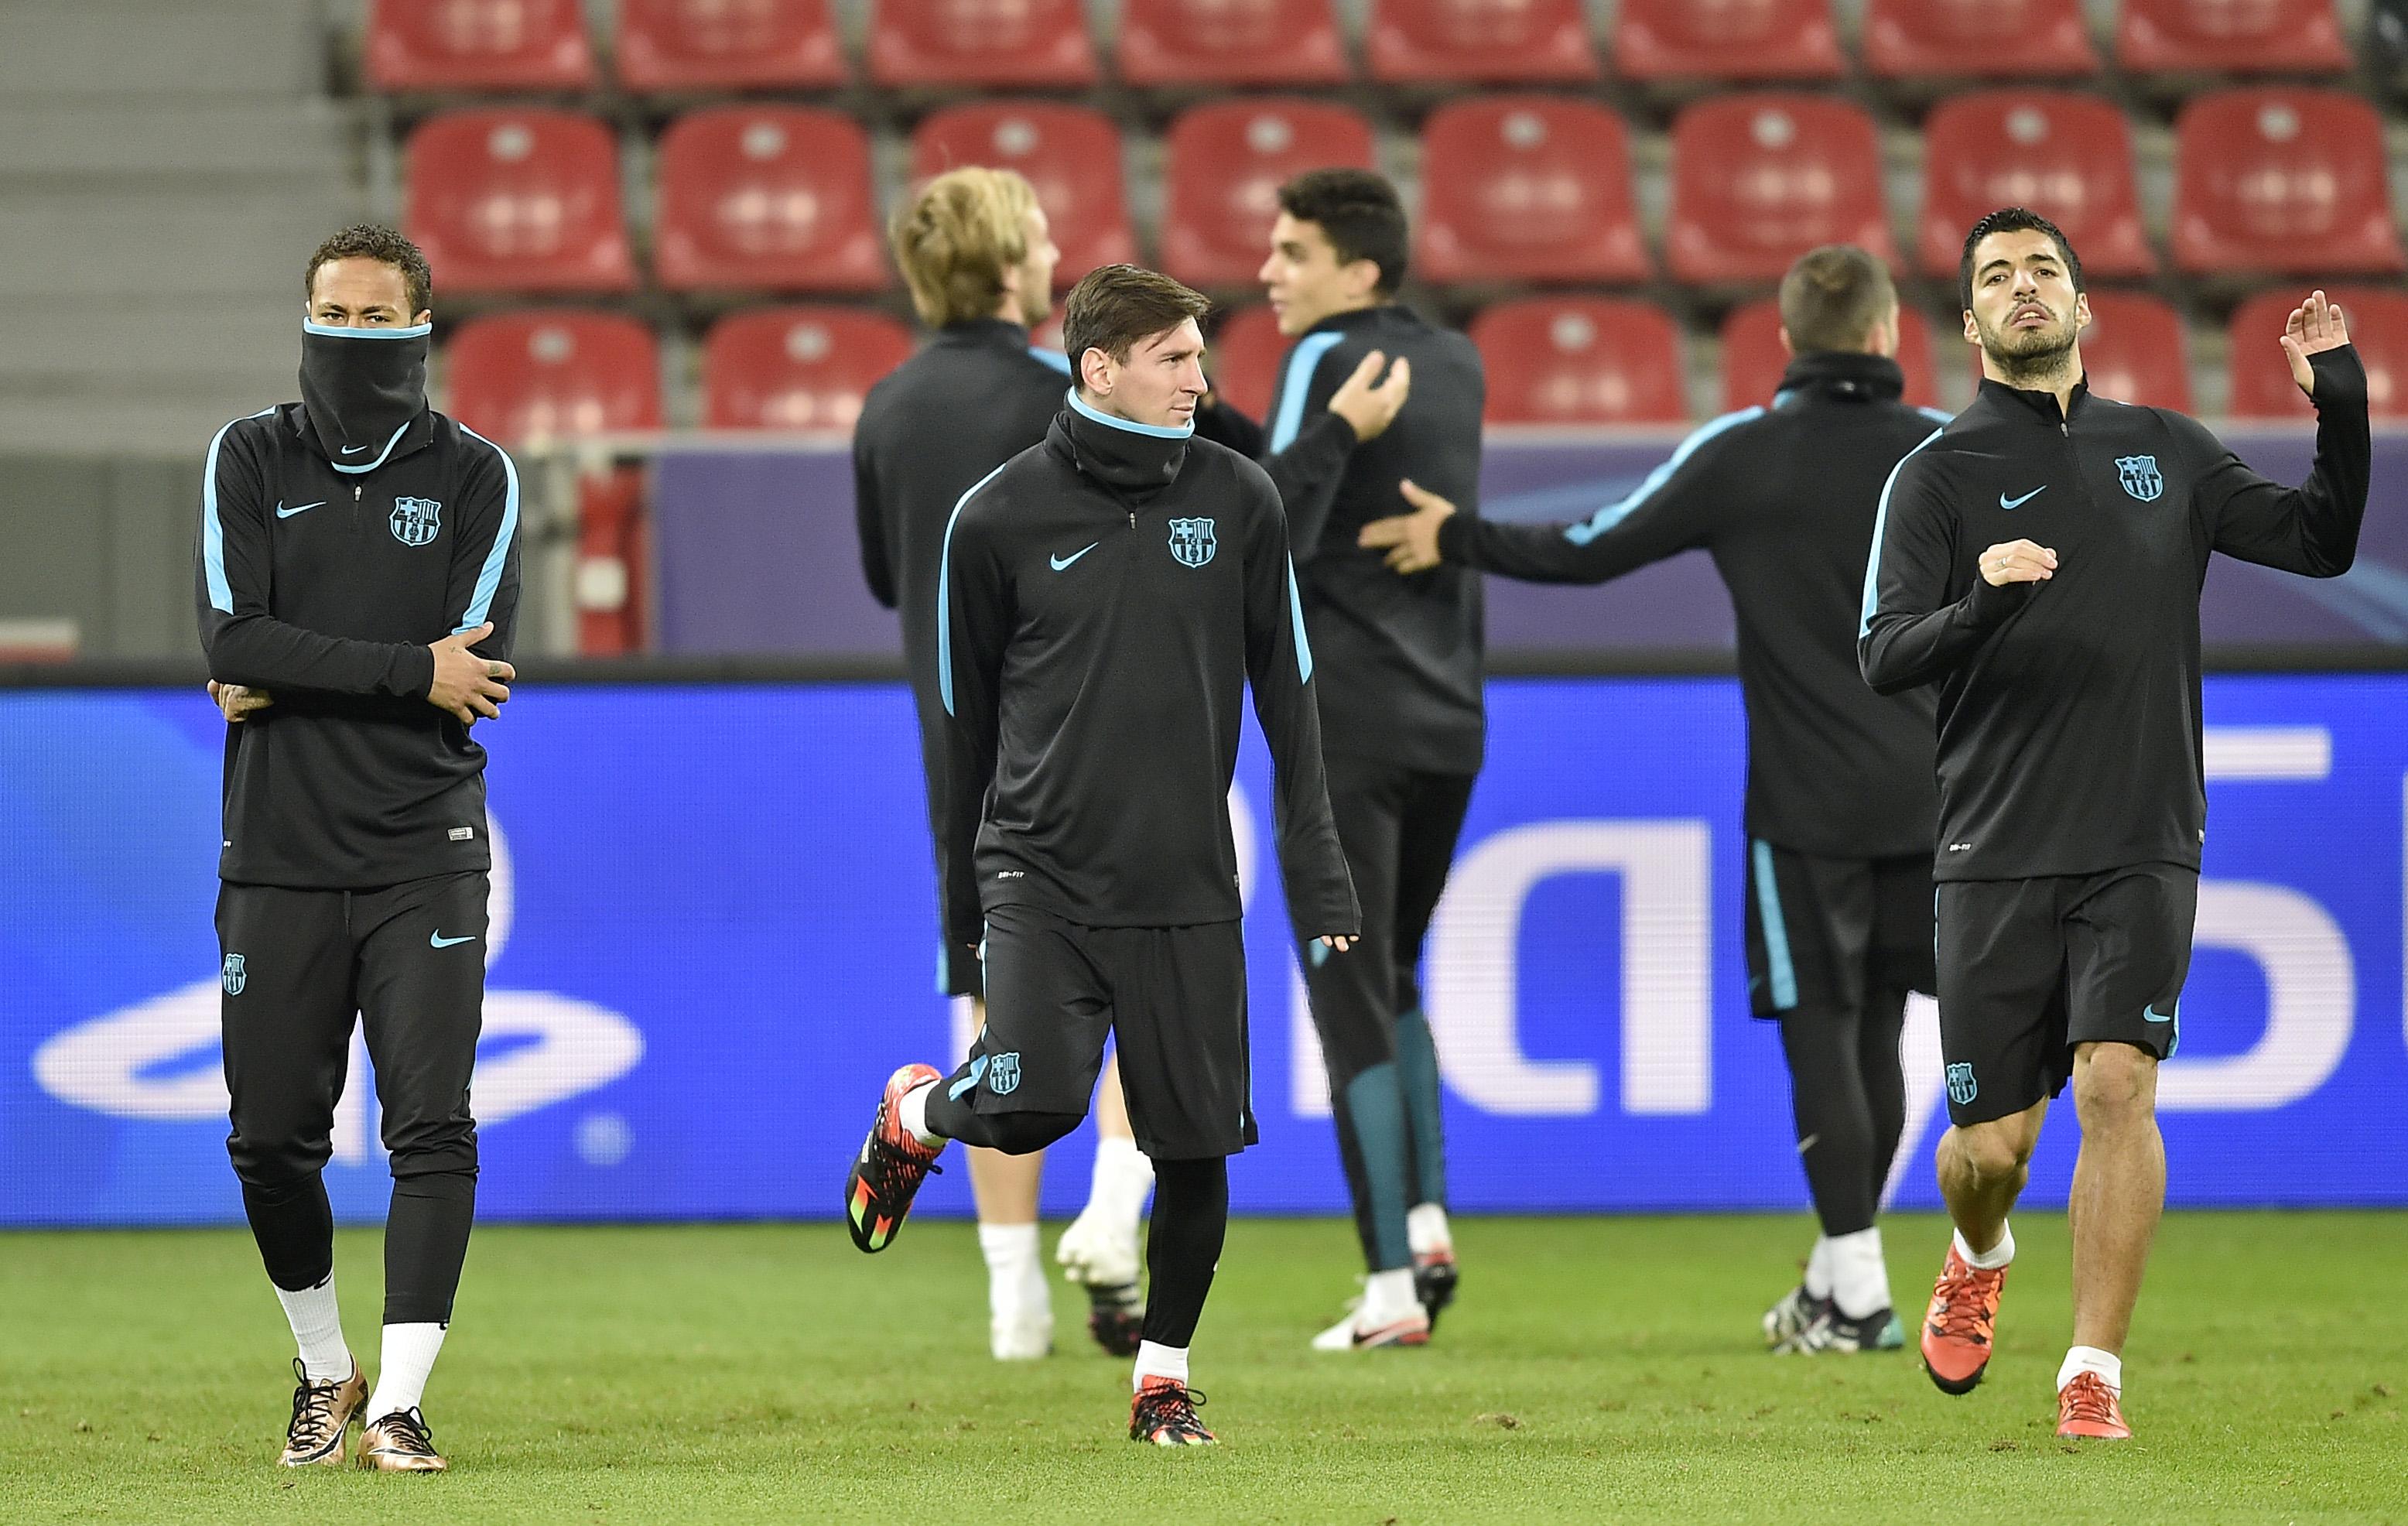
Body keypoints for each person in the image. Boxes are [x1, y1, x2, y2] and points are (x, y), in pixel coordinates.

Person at [1360, 245, 1949, 1355]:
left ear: (1784, 345)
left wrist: (1456, 535)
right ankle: (1837, 1282)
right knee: (1881, 1027)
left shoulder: (1744, 452)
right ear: (1884, 338)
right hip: (1931, 793)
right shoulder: (1939, 451)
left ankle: (1860, 1294)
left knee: (1822, 1033)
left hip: (1804, 801)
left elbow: (1593, 549)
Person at [1860, 207, 2371, 1439]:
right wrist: (1980, 603)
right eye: (1996, 275)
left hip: (2144, 834)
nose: (2022, 287)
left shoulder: (2168, 450)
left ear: (2085, 310)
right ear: (1972, 324)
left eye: (2044, 270)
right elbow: (1883, 655)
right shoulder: (1933, 476)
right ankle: (1979, 1255)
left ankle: (2093, 1371)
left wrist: (2340, 404)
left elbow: (2321, 541)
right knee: (1989, 1151)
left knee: (2116, 1084)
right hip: (1993, 846)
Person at [842, 265, 1360, 1445]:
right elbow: (959, 732)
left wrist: (1318, 865)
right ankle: (921, 1118)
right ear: (1101, 369)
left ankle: (1161, 1381)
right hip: (1039, 873)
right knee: (1032, 1108)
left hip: (1187, 881)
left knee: (1194, 1148)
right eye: (1177, 359)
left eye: (1199, 356)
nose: (1201, 379)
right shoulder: (996, 516)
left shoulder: (1241, 498)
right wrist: (959, 907)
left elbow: (1292, 694)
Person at [197, 224, 521, 1473]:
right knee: (270, 1139)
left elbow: (483, 667)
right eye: (333, 310)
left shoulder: (478, 473)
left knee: (429, 1127)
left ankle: (402, 1403)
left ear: (421, 328)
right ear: (305, 316)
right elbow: (234, 644)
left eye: (379, 317)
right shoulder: (247, 455)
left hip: (424, 850)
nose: (353, 332)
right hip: (274, 849)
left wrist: (297, 666)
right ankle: (326, 1367)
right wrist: (405, 671)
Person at [853, 167, 1156, 1361]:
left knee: (993, 998)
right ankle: (1116, 1212)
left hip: (962, 752)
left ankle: (1010, 1298)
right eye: (1039, 237)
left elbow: (890, 579)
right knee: (1151, 971)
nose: (1053, 253)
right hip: (1101, 727)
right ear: (1009, 266)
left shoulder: (886, 407)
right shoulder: (1072, 394)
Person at [1191, 169, 1480, 1350]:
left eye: (1293, 253)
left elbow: (1278, 529)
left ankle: (1389, 1291)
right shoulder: (1459, 360)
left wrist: (1295, 440)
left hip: (1345, 728)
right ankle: (1423, 1223)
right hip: (1452, 713)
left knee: (1348, 992)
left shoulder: (1325, 359)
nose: (1269, 274)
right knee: (1397, 974)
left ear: (1357, 272)